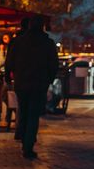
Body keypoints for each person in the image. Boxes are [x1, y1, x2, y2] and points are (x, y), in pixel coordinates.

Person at [5, 15, 58, 159]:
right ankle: (28, 145)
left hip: (21, 82)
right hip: (39, 84)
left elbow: (9, 61)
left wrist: (8, 77)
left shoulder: (18, 42)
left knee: (24, 110)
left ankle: (23, 137)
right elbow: (53, 64)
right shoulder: (47, 43)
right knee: (33, 114)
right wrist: (49, 80)